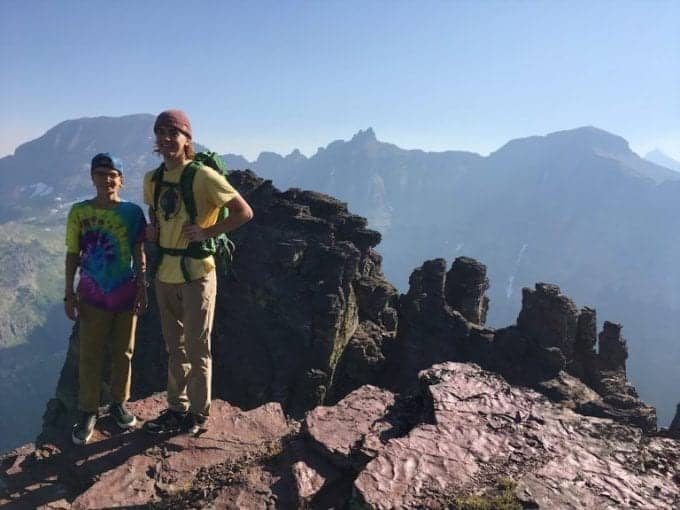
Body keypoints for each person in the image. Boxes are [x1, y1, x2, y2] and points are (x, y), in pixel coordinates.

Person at [143, 109, 253, 435]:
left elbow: (244, 211)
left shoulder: (203, 176)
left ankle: (198, 414)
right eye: (160, 132)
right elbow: (155, 212)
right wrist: (153, 229)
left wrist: (209, 232)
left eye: (173, 133)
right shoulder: (153, 179)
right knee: (174, 348)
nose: (165, 139)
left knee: (196, 347)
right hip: (165, 272)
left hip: (197, 273)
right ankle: (176, 408)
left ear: (187, 139)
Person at [64, 153, 147, 445]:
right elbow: (73, 253)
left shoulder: (133, 213)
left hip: (125, 294)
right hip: (91, 296)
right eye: (100, 173)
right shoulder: (78, 212)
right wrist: (68, 294)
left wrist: (143, 286)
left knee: (124, 351)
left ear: (121, 180)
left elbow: (139, 251)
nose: (107, 179)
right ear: (92, 178)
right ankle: (88, 411)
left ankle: (118, 404)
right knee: (90, 354)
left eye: (112, 174)